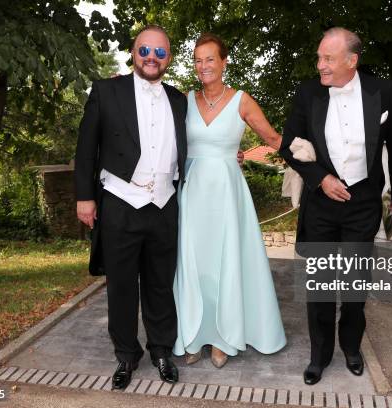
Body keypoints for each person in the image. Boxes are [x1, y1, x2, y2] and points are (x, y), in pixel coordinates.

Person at [279, 27, 392, 385]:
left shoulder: (382, 91)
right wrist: (321, 178)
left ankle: (351, 347)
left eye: (328, 58)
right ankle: (319, 356)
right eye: (319, 57)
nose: (320, 64)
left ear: (352, 61)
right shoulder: (307, 93)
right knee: (319, 285)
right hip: (321, 204)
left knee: (355, 284)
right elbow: (287, 145)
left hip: (364, 204)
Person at [74, 25, 186, 389]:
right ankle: (126, 355)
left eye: (160, 53)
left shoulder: (178, 99)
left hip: (165, 203)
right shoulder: (107, 90)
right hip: (121, 201)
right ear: (133, 53)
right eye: (145, 51)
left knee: (160, 284)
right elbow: (86, 147)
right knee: (122, 286)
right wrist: (84, 197)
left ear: (168, 58)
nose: (152, 58)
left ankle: (162, 351)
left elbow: (193, 143)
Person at [173, 33, 287, 368]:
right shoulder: (184, 99)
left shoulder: (242, 100)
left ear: (224, 62)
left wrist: (314, 159)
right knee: (193, 262)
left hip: (226, 191)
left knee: (225, 261)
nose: (203, 66)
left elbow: (272, 138)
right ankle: (193, 336)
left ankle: (223, 339)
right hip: (192, 192)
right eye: (198, 60)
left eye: (210, 59)